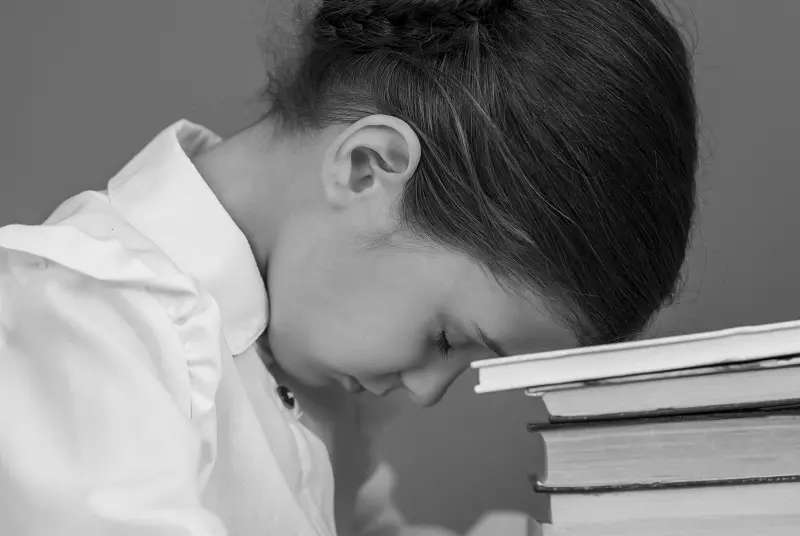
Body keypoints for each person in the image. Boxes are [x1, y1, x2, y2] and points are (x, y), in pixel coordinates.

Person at [0, 0, 697, 534]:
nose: (426, 391)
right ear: (367, 169)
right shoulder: (82, 322)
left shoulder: (301, 357)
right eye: (447, 338)